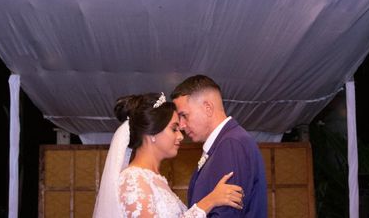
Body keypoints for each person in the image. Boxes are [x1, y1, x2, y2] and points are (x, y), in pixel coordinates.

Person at [93, 92, 244, 218]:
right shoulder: (132, 179)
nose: (180, 136)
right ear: (152, 133)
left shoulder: (155, 179)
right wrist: (209, 202)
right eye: (174, 129)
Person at [171, 76, 267, 218]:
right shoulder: (224, 143)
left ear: (208, 108)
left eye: (184, 115)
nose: (182, 125)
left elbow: (227, 214)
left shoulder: (231, 144)